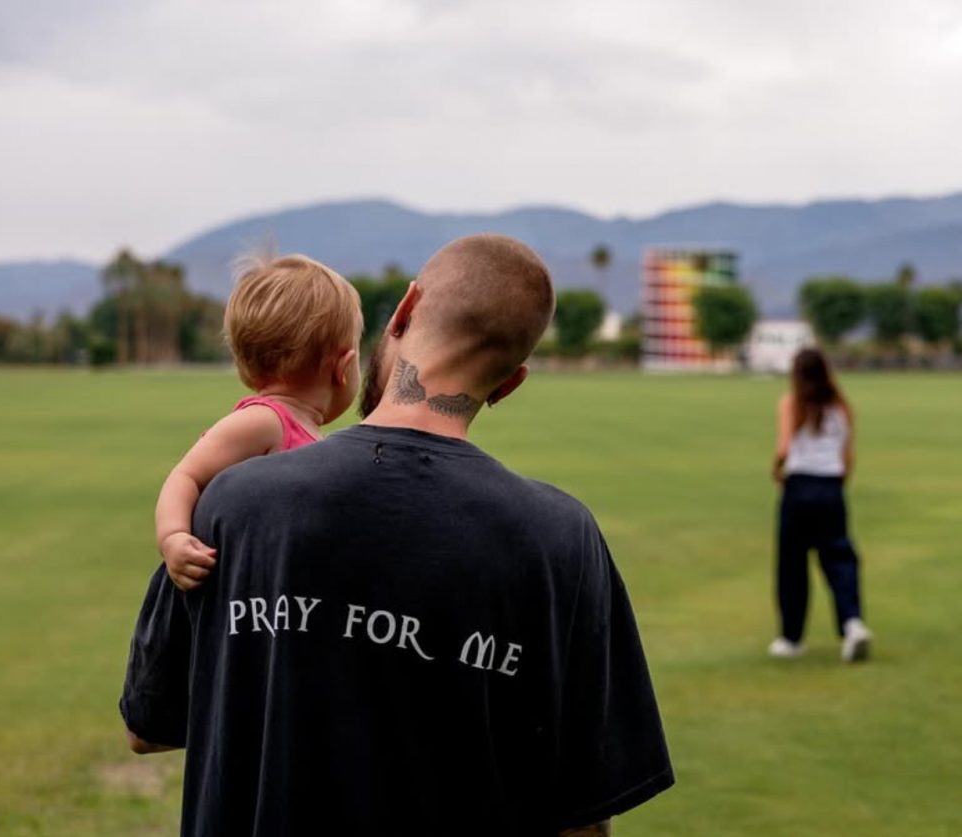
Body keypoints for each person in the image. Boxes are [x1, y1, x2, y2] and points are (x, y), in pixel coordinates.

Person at [120, 234, 674, 837]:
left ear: (405, 310)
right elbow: (584, 817)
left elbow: (147, 726)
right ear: (510, 383)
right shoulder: (564, 539)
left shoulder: (232, 499)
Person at [156, 254, 363, 591]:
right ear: (344, 366)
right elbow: (186, 476)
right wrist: (173, 536)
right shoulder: (264, 422)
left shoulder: (309, 434)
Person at [769, 347, 873, 663]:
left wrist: (777, 471)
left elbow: (784, 448)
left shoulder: (792, 403)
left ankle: (791, 637)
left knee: (792, 563)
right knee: (839, 558)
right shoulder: (841, 407)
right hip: (831, 487)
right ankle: (852, 622)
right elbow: (848, 456)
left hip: (799, 485)